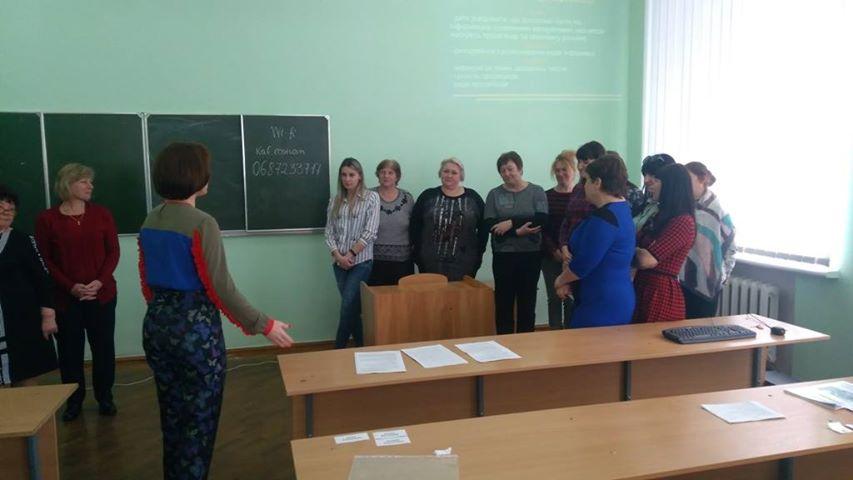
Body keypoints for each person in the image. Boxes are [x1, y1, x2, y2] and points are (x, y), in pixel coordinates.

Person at [139, 142, 293, 479]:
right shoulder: (202, 222)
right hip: (194, 332)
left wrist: (166, 314)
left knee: (172, 414)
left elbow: (146, 278)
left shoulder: (152, 218)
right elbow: (220, 286)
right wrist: (264, 324)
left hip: (158, 325)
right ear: (195, 176)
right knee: (199, 420)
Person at [35, 163, 119, 421]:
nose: (90, 186)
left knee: (103, 348)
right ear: (67, 184)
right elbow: (45, 260)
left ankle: (105, 397)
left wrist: (99, 282)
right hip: (65, 299)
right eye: (84, 181)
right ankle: (74, 401)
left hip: (101, 295)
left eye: (90, 181)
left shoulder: (102, 214)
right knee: (70, 352)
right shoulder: (47, 219)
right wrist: (70, 286)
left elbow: (113, 252)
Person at [554, 154, 636, 328]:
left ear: (597, 183)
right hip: (607, 295)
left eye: (587, 181)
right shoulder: (619, 208)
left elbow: (584, 264)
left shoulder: (606, 219)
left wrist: (561, 280)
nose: (583, 186)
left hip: (602, 301)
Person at [484, 151, 548, 334]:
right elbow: (489, 224)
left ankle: (525, 343)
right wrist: (517, 232)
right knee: (503, 302)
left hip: (531, 255)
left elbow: (541, 219)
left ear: (520, 169)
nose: (507, 173)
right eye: (502, 170)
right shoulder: (494, 194)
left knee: (527, 301)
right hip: (503, 256)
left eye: (510, 169)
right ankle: (503, 342)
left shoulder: (536, 191)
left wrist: (511, 223)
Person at [0, 186, 58, 387]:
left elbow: (43, 279)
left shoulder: (24, 240)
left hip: (22, 319)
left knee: (26, 371)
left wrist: (48, 315)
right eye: (1, 208)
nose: (7, 212)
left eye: (11, 209)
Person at [324, 157, 380, 348]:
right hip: (339, 263)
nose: (347, 179)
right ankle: (362, 347)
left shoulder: (371, 198)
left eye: (351, 175)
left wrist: (350, 255)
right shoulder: (335, 201)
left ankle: (338, 348)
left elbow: (370, 232)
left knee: (347, 305)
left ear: (359, 176)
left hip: (361, 262)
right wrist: (338, 256)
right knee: (352, 309)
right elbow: (329, 232)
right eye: (344, 175)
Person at [633, 163, 696, 323]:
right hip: (643, 285)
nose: (650, 184)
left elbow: (647, 260)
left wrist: (622, 248)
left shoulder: (683, 222)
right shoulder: (658, 215)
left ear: (670, 186)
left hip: (659, 294)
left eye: (656, 180)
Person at [411, 158, 488, 281]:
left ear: (461, 176)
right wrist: (417, 253)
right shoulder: (428, 196)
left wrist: (479, 253)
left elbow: (484, 227)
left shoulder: (473, 198)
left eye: (454, 172)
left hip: (465, 263)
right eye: (446, 171)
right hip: (429, 262)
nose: (449, 175)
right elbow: (414, 225)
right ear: (440, 173)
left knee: (461, 293)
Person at [680, 161, 736, 318]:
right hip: (682, 279)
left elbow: (730, 246)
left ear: (702, 179)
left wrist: (723, 275)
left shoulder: (716, 211)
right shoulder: (685, 207)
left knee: (701, 327)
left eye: (688, 180)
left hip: (709, 282)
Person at [541, 150, 577, 329]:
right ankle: (554, 334)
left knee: (571, 298)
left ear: (574, 170)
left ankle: (569, 336)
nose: (560, 174)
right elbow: (542, 228)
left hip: (573, 256)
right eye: (557, 170)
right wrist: (554, 250)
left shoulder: (580, 196)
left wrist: (567, 253)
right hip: (550, 255)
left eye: (564, 170)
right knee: (554, 297)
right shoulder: (546, 196)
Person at [367, 159, 415, 286]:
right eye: (383, 172)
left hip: (403, 263)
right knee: (375, 297)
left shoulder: (408, 198)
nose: (386, 176)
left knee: (401, 297)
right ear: (378, 175)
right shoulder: (367, 196)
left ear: (397, 176)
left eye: (390, 173)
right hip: (373, 261)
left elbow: (414, 227)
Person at [633, 153, 676, 232]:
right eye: (645, 175)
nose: (646, 180)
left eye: (653, 175)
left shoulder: (673, 212)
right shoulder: (648, 203)